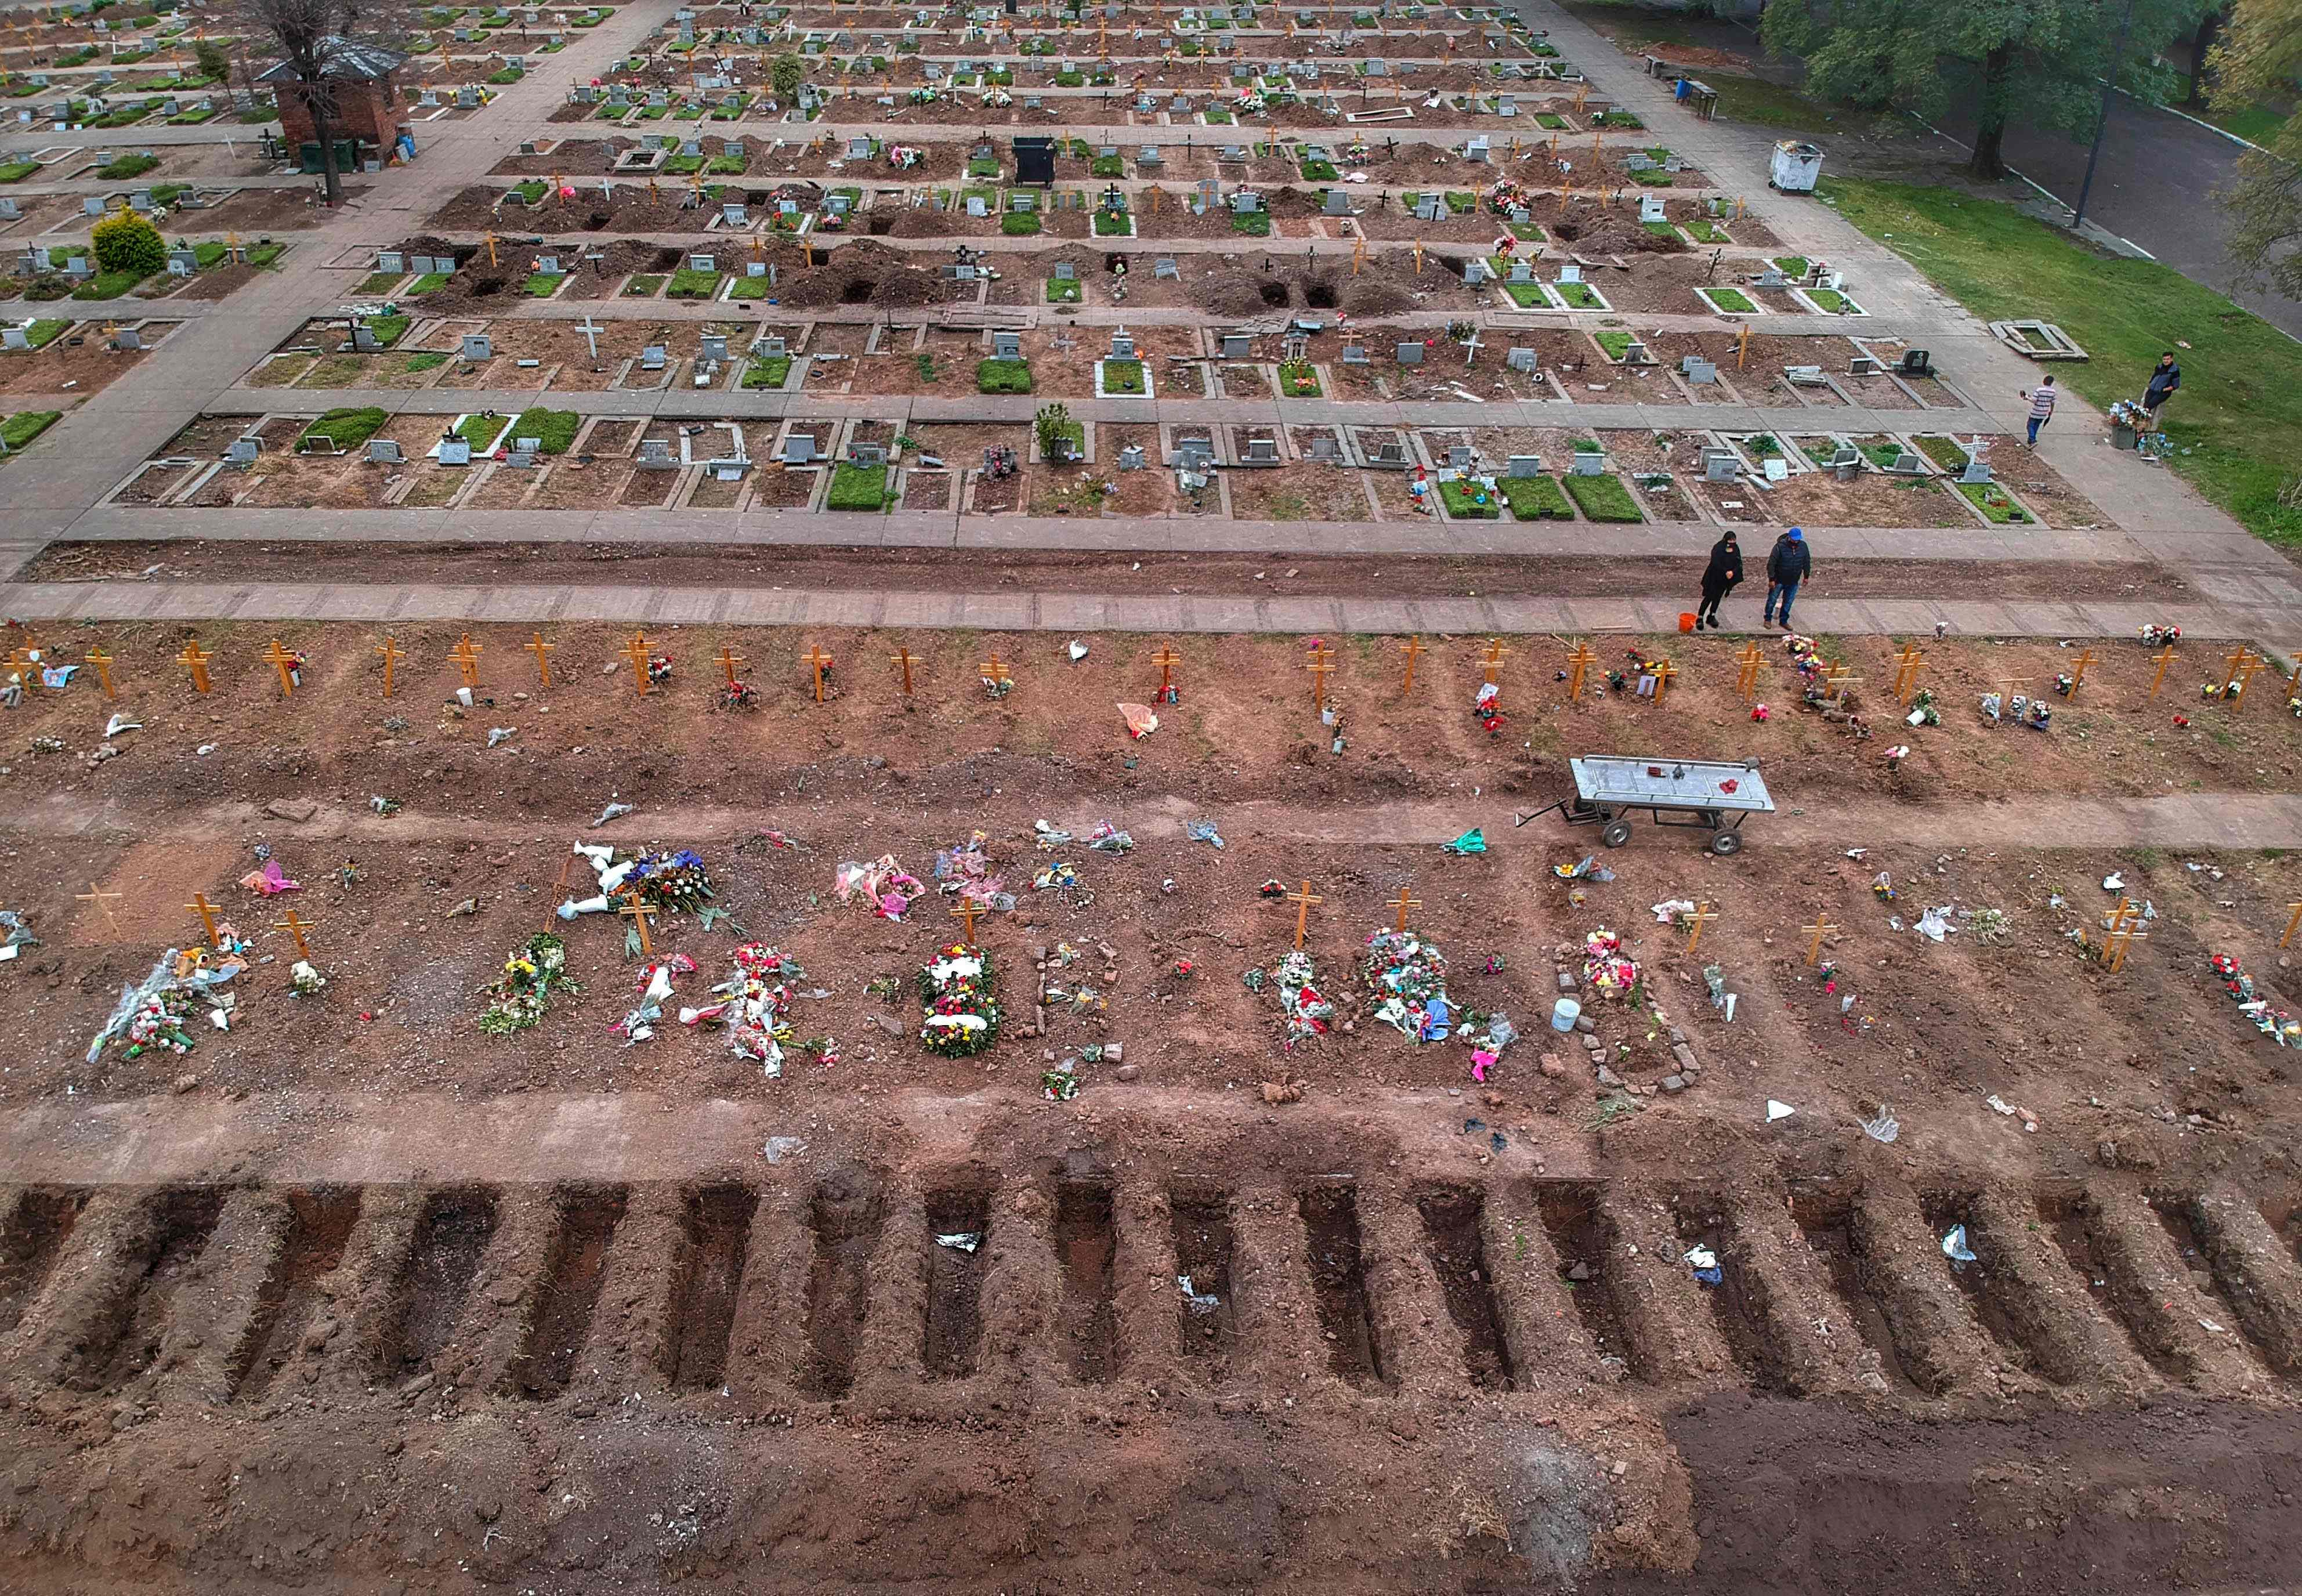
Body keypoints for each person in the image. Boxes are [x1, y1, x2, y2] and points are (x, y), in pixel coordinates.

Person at [1764, 526, 1809, 630]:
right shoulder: (1779, 547)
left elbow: (1807, 561)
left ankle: (1783, 620)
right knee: (1772, 600)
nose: (1796, 541)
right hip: (1779, 580)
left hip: (1793, 580)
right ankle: (1768, 619)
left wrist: (1806, 576)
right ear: (1790, 537)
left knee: (1788, 601)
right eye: (1795, 539)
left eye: (1798, 539)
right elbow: (1771, 564)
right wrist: (1771, 579)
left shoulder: (1803, 547)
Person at [1696, 530, 1742, 630]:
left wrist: (1733, 572)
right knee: (1708, 598)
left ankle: (1712, 616)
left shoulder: (1735, 549)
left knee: (1717, 599)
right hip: (1714, 578)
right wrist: (1725, 571)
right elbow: (1716, 562)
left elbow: (1739, 562)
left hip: (1725, 580)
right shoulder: (1718, 548)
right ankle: (1700, 617)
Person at [2143, 351, 2181, 421]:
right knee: (2144, 406)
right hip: (2152, 389)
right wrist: (2151, 384)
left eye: (2168, 359)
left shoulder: (2175, 370)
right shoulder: (2159, 367)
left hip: (2163, 393)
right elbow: (2154, 376)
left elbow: (2176, 385)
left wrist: (2164, 390)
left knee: (2149, 406)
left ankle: (2146, 424)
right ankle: (2141, 423)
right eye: (2164, 359)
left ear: (2171, 359)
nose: (2166, 361)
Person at [2021, 375, 2057, 446]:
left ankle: (2032, 439)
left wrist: (2027, 397)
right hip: (2044, 412)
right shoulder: (2053, 392)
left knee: (2030, 425)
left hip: (2036, 411)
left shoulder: (2040, 390)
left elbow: (2034, 400)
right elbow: (2053, 403)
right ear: (2052, 383)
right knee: (2036, 425)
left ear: (2044, 382)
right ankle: (2031, 440)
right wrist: (2051, 411)